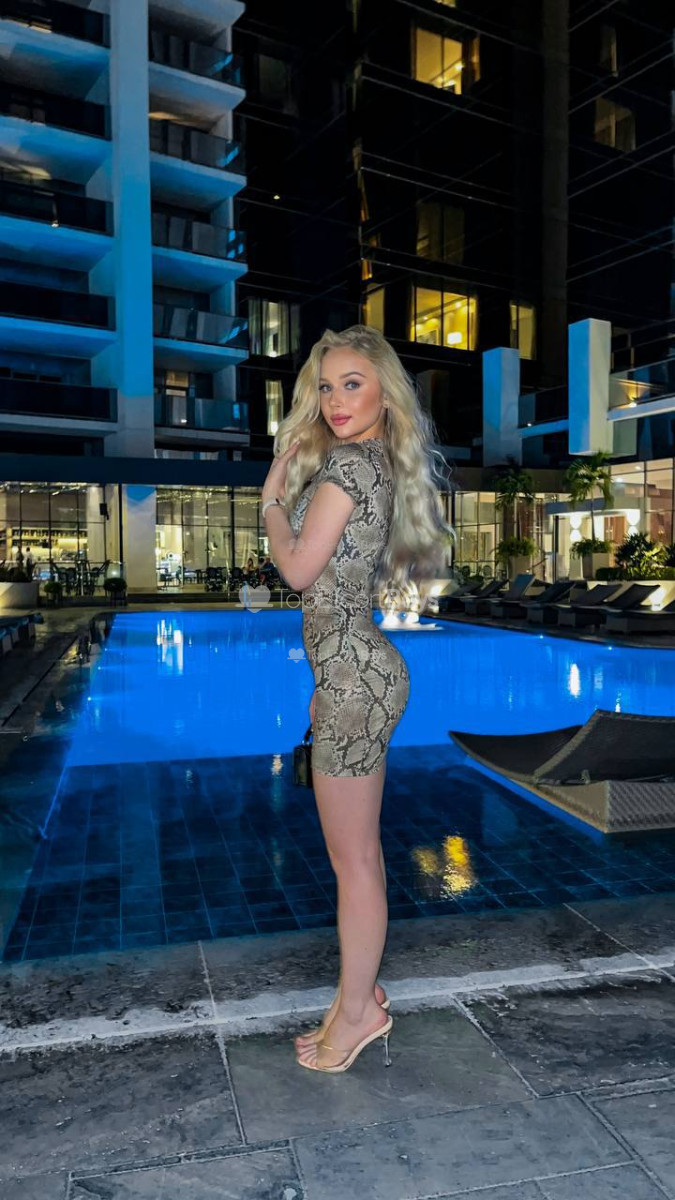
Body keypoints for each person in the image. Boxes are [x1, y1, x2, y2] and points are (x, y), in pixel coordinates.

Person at [262, 325, 453, 1074]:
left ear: (383, 394)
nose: (337, 400)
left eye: (353, 384)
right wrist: (324, 684)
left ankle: (357, 1015)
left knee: (356, 863)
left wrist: (271, 504)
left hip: (356, 678)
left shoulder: (348, 464)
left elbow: (300, 571)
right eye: (327, 385)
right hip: (351, 674)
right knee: (358, 856)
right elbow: (336, 594)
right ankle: (359, 995)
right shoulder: (370, 462)